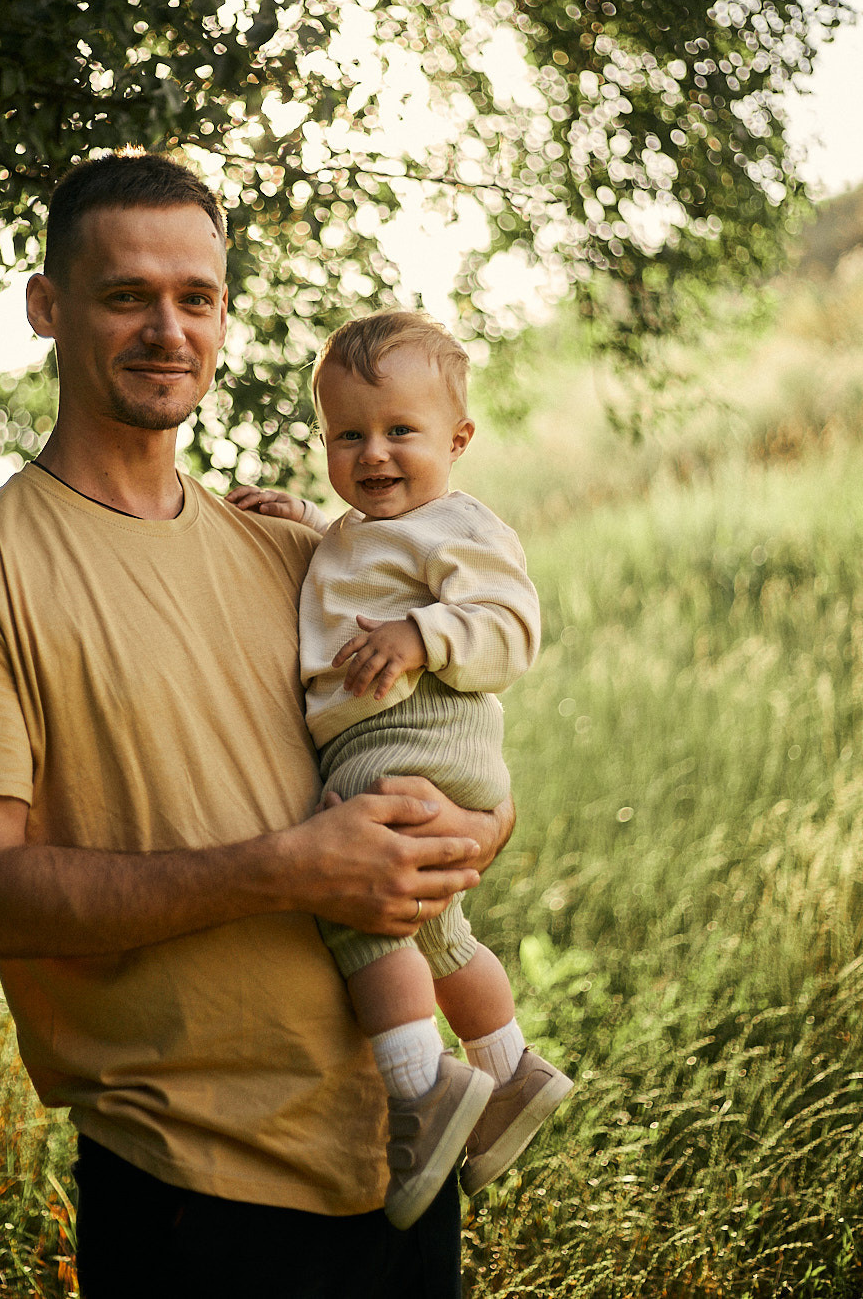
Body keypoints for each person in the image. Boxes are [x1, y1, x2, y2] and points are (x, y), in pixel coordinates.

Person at [0, 153, 515, 1299]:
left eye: (198, 298)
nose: (167, 329)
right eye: (127, 295)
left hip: (400, 1160)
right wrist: (288, 870)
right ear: (48, 307)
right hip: (192, 1195)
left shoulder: (299, 553)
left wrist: (473, 831)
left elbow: (459, 758)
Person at [228, 311, 572, 1231]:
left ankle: (421, 1094)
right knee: (430, 923)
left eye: (400, 432)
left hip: (414, 731)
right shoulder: (361, 529)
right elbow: (353, 563)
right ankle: (507, 1070)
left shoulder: (458, 524)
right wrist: (299, 518)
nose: (373, 453)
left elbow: (510, 628)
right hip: (395, 740)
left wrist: (424, 636)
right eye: (348, 435)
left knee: (355, 901)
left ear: (458, 440)